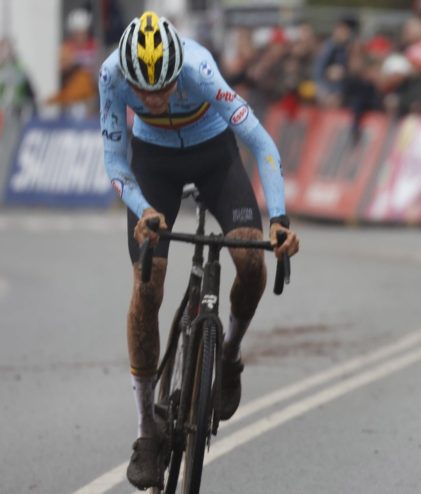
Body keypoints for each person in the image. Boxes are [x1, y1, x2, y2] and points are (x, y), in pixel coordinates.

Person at [99, 12, 300, 490]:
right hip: (153, 165)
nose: (153, 99)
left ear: (178, 72)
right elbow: (115, 159)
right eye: (143, 91)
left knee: (250, 262)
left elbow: (261, 142)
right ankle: (146, 432)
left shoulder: (199, 68)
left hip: (214, 157)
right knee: (147, 288)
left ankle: (228, 355)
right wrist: (144, 209)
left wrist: (278, 218)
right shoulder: (111, 74)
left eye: (164, 88)